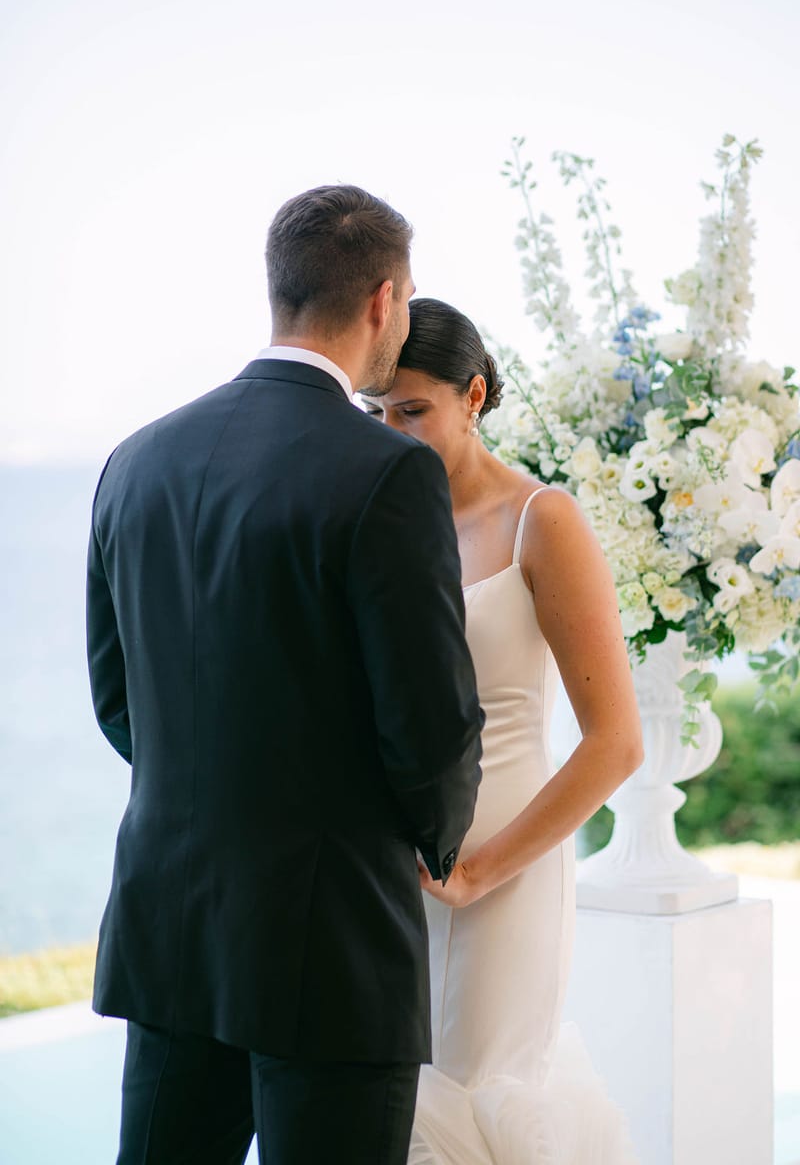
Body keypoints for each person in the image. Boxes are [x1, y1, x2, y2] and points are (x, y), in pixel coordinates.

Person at [86, 189, 484, 1165]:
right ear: (384, 300)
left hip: (171, 926)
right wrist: (434, 841)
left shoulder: (134, 461)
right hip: (333, 937)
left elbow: (115, 696)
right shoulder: (386, 471)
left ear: (282, 290)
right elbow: (427, 726)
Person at [361, 297, 644, 1164]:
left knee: (484, 1091)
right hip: (392, 871)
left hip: (506, 864)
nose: (393, 434)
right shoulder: (374, 521)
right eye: (376, 415)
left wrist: (480, 870)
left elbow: (617, 742)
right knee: (395, 1101)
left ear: (474, 394)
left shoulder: (540, 518)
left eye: (414, 411)